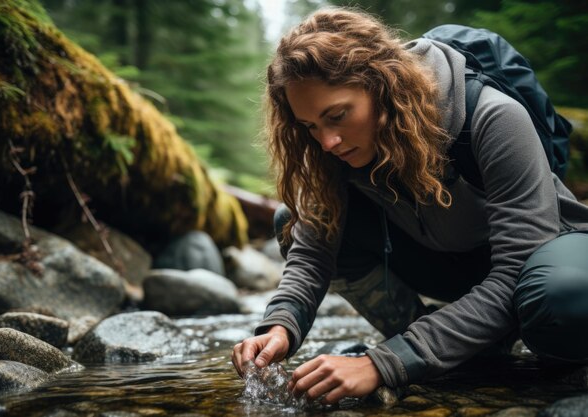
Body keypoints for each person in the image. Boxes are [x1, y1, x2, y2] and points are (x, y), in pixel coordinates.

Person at [231, 7, 588, 404]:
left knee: (563, 299)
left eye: (337, 115)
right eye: (310, 126)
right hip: (448, 266)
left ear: (382, 85)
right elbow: (314, 254)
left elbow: (515, 269)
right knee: (290, 220)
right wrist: (279, 327)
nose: (327, 141)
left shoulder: (491, 117)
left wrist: (384, 363)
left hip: (535, 263)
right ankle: (459, 355)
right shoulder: (334, 152)